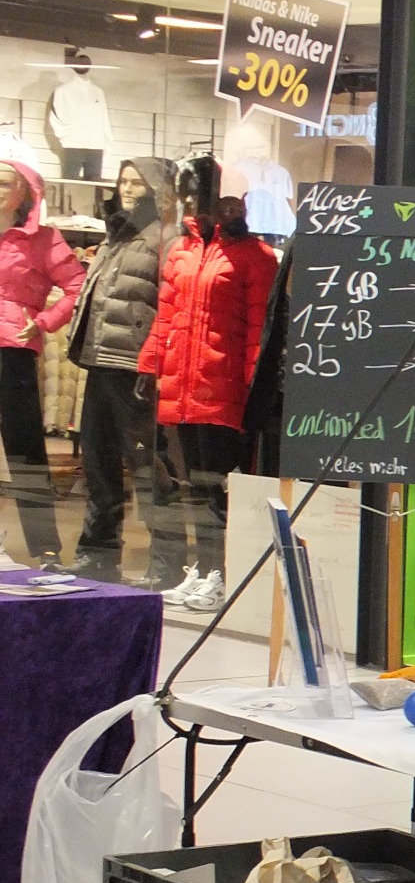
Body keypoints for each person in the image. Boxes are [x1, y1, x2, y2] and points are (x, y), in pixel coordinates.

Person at [137, 171, 277, 613]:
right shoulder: (182, 250)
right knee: (192, 484)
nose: (223, 209)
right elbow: (166, 313)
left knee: (217, 485)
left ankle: (222, 573)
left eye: (232, 202)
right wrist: (151, 364)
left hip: (223, 387)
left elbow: (260, 327)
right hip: (182, 385)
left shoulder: (255, 256)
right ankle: (202, 567)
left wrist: (255, 379)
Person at [62, 157, 175, 583]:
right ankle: (98, 552)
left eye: (137, 183)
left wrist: (154, 360)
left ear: (156, 189)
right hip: (102, 360)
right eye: (123, 181)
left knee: (145, 464)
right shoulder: (118, 233)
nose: (127, 189)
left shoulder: (163, 237)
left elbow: (168, 304)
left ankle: (165, 561)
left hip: (135, 366)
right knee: (98, 459)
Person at [0, 157, 85, 566]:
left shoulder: (43, 239)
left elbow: (77, 286)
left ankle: (46, 547)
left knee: (25, 452)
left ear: (24, 193)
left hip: (11, 351)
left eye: (5, 183)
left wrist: (45, 321)